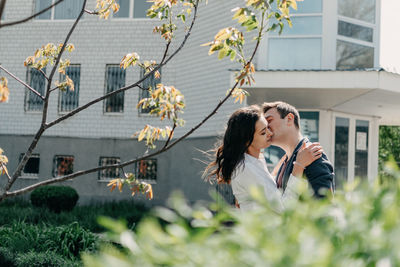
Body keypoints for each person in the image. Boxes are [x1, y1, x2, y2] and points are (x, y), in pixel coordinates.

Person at [205, 105, 323, 212]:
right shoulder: (245, 169)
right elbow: (283, 209)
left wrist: (287, 157)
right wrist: (299, 165)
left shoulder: (255, 160)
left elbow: (266, 184)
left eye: (267, 127)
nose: (270, 133)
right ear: (246, 141)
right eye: (263, 133)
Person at [262, 101, 335, 198]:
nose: (266, 128)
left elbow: (324, 203)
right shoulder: (286, 160)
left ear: (289, 119)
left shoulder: (313, 154)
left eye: (269, 120)